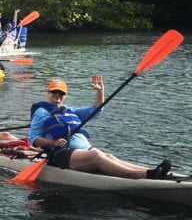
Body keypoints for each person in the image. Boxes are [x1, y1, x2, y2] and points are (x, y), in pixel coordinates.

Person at [29, 77, 173, 179]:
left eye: (61, 93)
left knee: (109, 156)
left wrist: (100, 91)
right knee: (96, 155)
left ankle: (152, 171)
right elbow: (34, 139)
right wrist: (53, 143)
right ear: (48, 93)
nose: (57, 96)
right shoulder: (41, 112)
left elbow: (97, 109)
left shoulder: (71, 111)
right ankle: (145, 175)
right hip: (62, 154)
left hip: (82, 151)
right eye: (54, 92)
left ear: (65, 96)